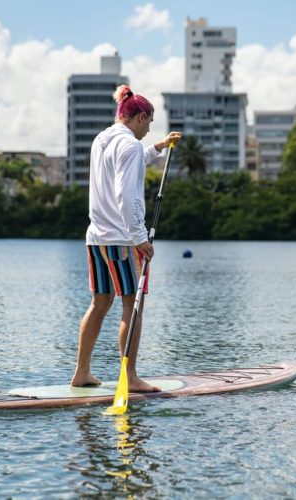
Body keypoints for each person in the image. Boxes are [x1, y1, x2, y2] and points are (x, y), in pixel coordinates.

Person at [71, 85, 181, 392]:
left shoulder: (103, 139)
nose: (147, 130)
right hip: (121, 239)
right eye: (149, 124)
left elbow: (127, 165)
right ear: (141, 117)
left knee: (100, 302)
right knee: (133, 303)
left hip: (96, 237)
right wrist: (138, 237)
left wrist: (158, 146)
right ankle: (129, 377)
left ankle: (81, 373)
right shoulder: (130, 145)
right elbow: (127, 192)